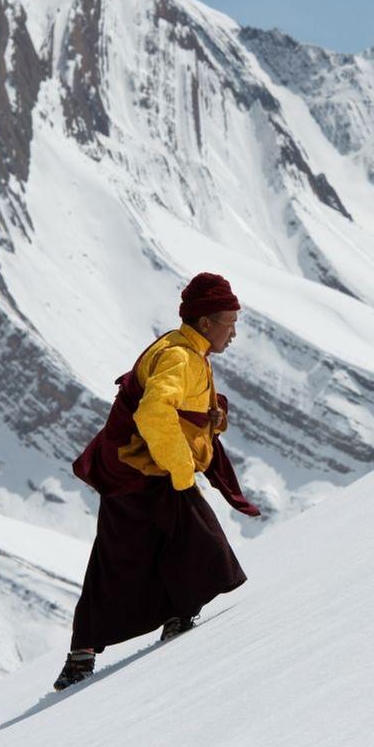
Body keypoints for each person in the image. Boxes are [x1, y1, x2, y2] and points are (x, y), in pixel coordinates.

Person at [55, 272, 262, 691]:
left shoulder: (185, 349)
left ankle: (83, 656)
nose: (234, 333)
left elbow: (181, 409)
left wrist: (213, 420)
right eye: (229, 323)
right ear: (206, 322)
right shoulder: (180, 357)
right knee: (202, 545)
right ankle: (176, 618)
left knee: (125, 557)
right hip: (148, 471)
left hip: (134, 469)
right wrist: (182, 471)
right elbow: (154, 412)